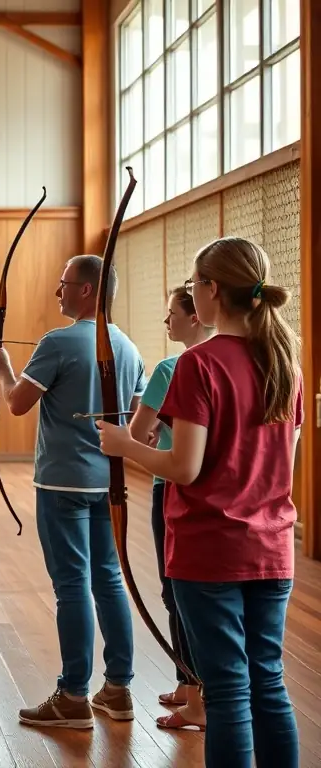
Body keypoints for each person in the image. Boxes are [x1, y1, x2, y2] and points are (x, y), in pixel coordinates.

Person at [97, 237, 301, 768]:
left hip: (210, 549)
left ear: (211, 291)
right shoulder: (285, 364)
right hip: (272, 548)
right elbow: (281, 466)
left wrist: (123, 445)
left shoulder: (199, 363)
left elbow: (184, 468)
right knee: (268, 683)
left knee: (229, 690)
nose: (192, 294)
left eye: (192, 286)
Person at [0, 254, 146, 728]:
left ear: (89, 290)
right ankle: (117, 690)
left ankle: (73, 696)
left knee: (71, 584)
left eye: (64, 284)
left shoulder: (58, 341)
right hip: (108, 484)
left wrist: (4, 366)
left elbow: (16, 403)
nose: (58, 292)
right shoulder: (129, 347)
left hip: (61, 483)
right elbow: (137, 422)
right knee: (109, 579)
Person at [126, 285, 213, 731]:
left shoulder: (172, 367)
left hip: (171, 485)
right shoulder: (243, 360)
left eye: (171, 313)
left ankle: (196, 697)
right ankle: (187, 684)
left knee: (175, 591)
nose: (166, 321)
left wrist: (132, 429)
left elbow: (138, 435)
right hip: (214, 490)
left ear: (195, 316)